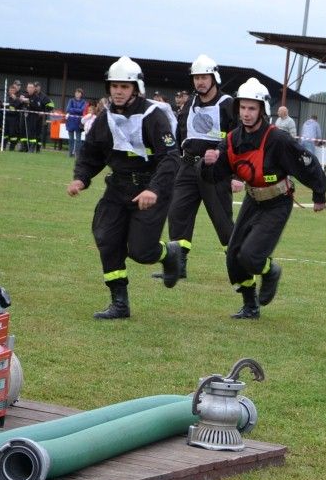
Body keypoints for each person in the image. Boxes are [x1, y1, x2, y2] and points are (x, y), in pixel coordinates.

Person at [65, 56, 183, 320]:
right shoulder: (105, 118)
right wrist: (81, 178)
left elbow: (170, 157)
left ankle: (169, 253)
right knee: (106, 239)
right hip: (117, 189)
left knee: (141, 252)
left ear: (136, 88)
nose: (118, 91)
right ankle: (119, 303)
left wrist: (153, 189)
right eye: (114, 86)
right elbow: (91, 153)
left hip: (151, 190)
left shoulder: (154, 117)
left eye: (124, 86)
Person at [202, 78, 326, 319]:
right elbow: (215, 175)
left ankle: (270, 271)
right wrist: (209, 163)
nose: (246, 114)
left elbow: (306, 164)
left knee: (251, 256)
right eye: (243, 108)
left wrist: (319, 192)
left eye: (252, 108)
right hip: (252, 200)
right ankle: (250, 306)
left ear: (262, 110)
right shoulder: (231, 140)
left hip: (277, 203)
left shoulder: (277, 139)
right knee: (234, 256)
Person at [162, 54, 237, 280]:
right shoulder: (189, 103)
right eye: (196, 78)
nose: (200, 82)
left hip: (215, 171)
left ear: (214, 78)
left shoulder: (229, 105)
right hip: (187, 166)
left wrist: (235, 174)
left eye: (204, 77)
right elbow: (179, 135)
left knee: (223, 222)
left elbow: (238, 141)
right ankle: (178, 266)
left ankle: (237, 266)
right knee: (178, 214)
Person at [65, 87, 86, 157]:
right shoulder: (71, 100)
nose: (77, 94)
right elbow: (68, 109)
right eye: (76, 92)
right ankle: (70, 153)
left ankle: (77, 154)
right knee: (70, 138)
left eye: (79, 92)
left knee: (78, 139)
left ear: (81, 94)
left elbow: (82, 110)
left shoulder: (84, 102)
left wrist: (73, 110)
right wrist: (77, 110)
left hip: (78, 122)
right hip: (70, 121)